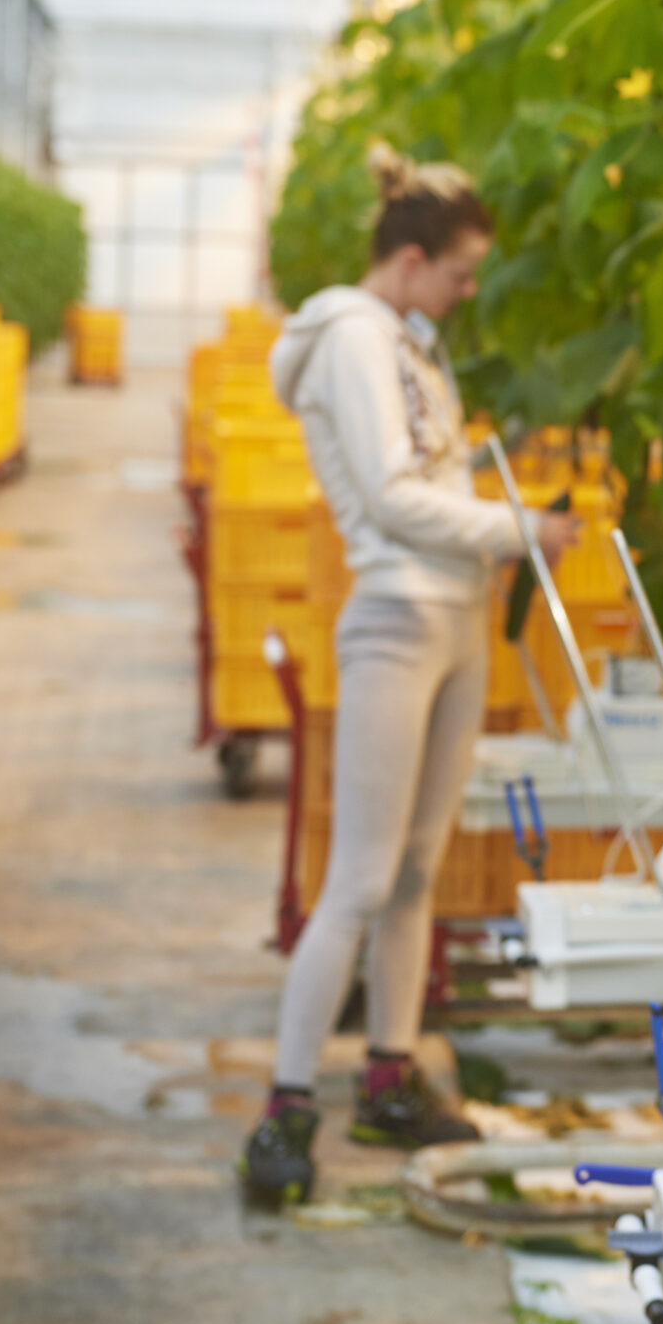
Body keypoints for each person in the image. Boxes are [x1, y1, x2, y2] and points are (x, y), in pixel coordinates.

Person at [239, 147, 580, 1207]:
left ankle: (389, 1072)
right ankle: (285, 1110)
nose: (469, 292)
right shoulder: (349, 336)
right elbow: (389, 494)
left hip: (454, 613)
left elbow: (428, 469)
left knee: (416, 869)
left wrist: (495, 471)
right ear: (413, 256)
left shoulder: (408, 343)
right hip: (394, 615)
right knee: (358, 875)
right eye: (462, 272)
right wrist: (516, 526)